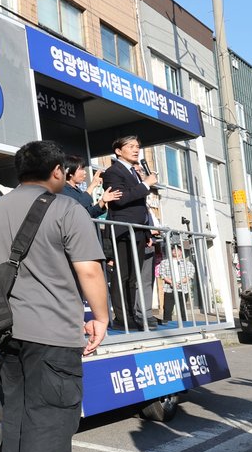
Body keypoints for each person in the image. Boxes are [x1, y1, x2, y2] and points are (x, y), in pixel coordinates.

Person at [0, 141, 109, 452]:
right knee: (51, 416)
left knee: (17, 411)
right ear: (57, 171)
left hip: (5, 329)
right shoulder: (67, 209)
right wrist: (101, 316)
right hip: (53, 331)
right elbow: (89, 270)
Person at [100, 135, 160, 330]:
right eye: (131, 146)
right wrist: (145, 185)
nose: (136, 150)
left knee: (134, 277)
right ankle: (121, 318)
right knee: (122, 275)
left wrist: (147, 233)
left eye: (137, 146)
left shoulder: (134, 172)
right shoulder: (113, 172)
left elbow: (140, 206)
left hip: (138, 231)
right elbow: (120, 200)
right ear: (118, 151)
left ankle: (132, 315)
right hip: (123, 231)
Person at [59, 153, 120, 218]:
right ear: (70, 172)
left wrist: (103, 201)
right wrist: (92, 185)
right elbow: (77, 208)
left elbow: (89, 213)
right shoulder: (62, 190)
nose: (85, 172)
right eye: (81, 169)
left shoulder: (78, 190)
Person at [157, 243, 195, 322]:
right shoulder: (164, 262)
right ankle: (168, 325)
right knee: (167, 309)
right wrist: (172, 282)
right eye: (173, 249)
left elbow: (190, 275)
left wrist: (179, 282)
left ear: (181, 251)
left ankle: (184, 325)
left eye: (177, 250)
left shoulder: (188, 263)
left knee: (182, 309)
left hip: (183, 289)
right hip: (169, 289)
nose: (175, 251)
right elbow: (162, 274)